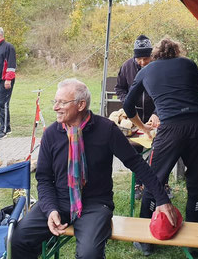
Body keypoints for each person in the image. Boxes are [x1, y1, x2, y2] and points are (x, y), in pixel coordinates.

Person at [11, 78, 177, 259]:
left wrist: (161, 199)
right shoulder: (52, 134)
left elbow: (136, 163)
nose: (55, 107)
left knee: (89, 254)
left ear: (81, 105)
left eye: (62, 102)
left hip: (95, 204)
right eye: (55, 101)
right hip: (58, 201)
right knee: (16, 240)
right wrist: (50, 209)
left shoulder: (106, 129)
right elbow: (43, 179)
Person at [124, 38, 198, 256]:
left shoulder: (146, 70)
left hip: (171, 129)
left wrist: (143, 126)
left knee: (154, 181)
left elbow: (127, 105)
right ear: (176, 51)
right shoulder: (189, 64)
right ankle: (196, 244)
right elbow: (195, 98)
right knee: (197, 183)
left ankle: (146, 241)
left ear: (155, 55)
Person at [114, 34, 167, 200]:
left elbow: (167, 93)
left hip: (154, 118)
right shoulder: (126, 67)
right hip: (134, 119)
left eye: (146, 58)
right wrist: (127, 102)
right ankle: (139, 183)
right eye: (139, 58)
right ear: (134, 56)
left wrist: (157, 113)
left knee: (159, 152)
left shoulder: (159, 67)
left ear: (151, 55)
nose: (143, 62)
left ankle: (161, 183)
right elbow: (119, 88)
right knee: (135, 153)